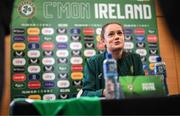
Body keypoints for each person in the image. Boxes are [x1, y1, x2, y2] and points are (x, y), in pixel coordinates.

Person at [82, 22, 145, 97]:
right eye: (111, 34)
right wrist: (103, 92)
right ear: (103, 41)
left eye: (119, 33)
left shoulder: (135, 59)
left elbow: (142, 88)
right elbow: (86, 94)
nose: (117, 37)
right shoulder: (92, 62)